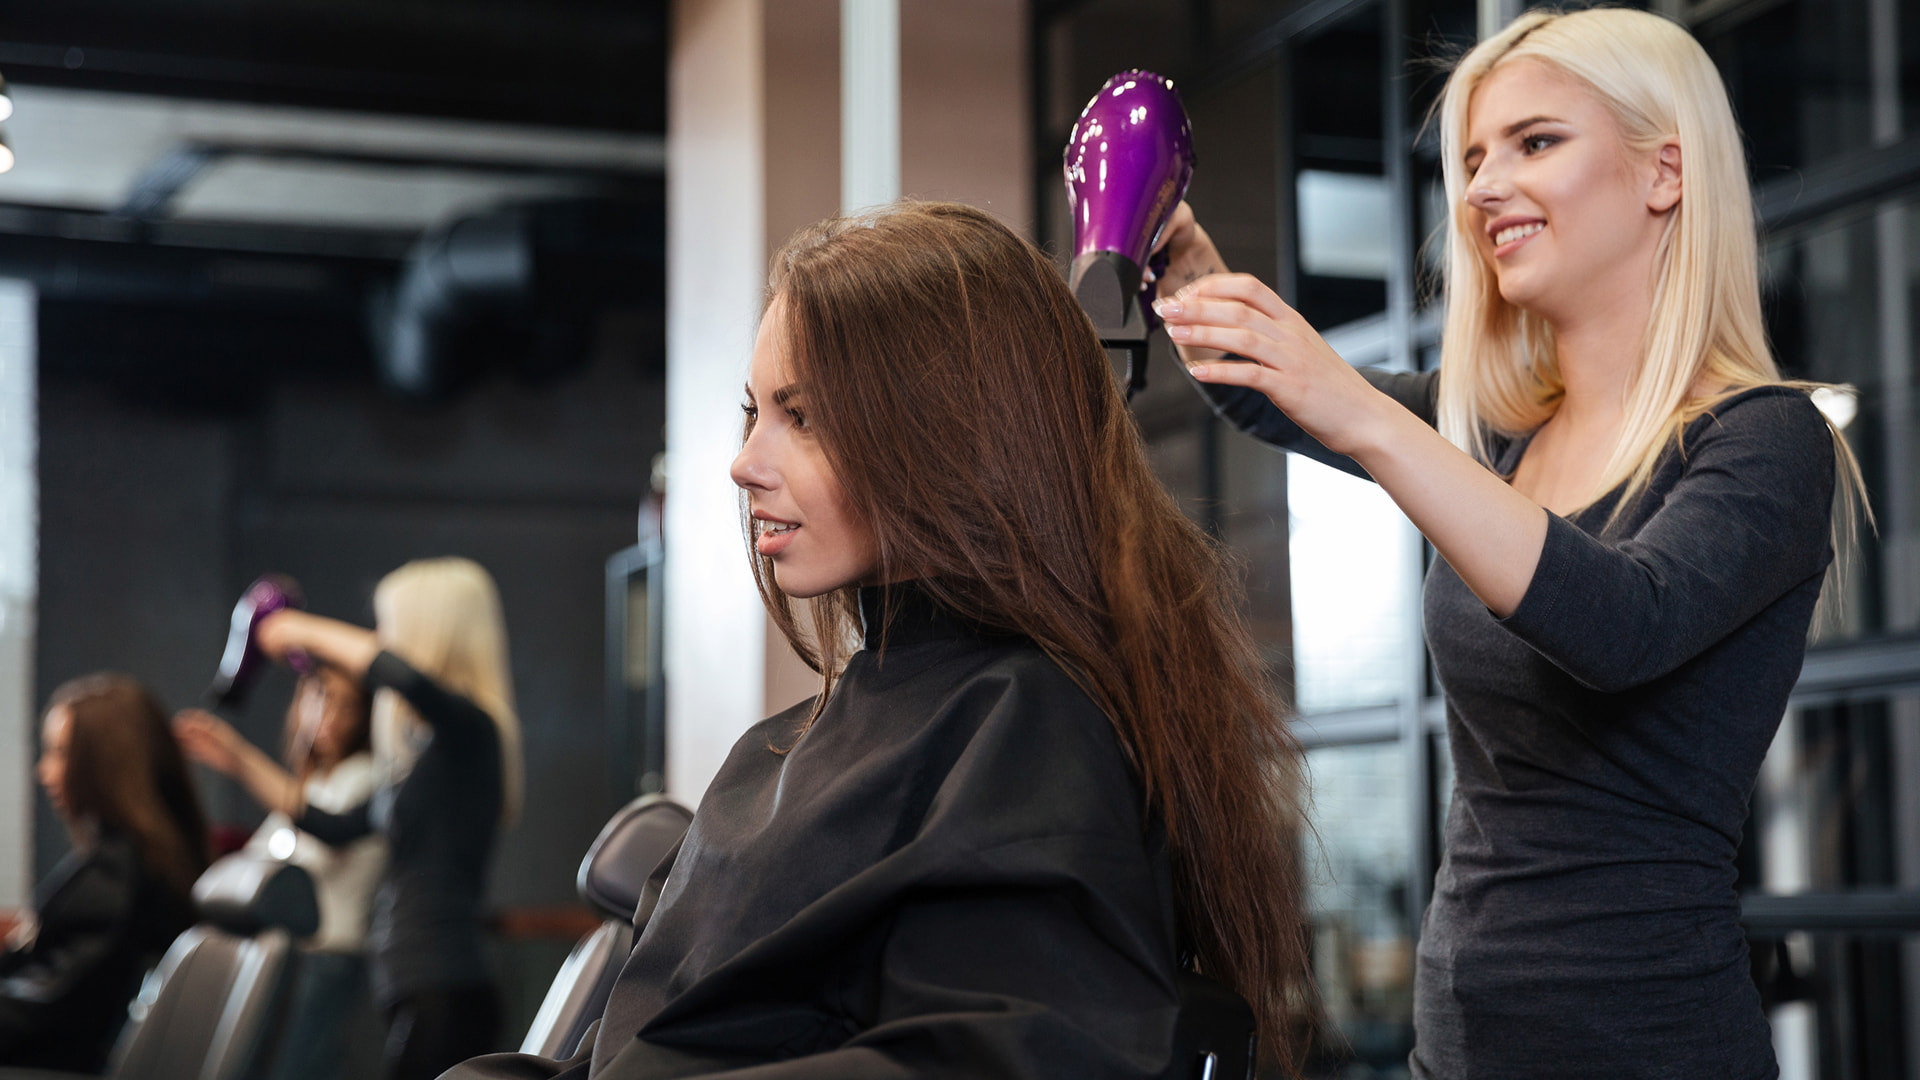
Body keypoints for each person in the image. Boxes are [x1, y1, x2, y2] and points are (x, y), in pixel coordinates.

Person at [1150, 8, 1868, 1078]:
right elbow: (1271, 406)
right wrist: (1193, 280)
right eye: (1474, 158)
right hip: (1459, 1037)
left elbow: (1622, 623)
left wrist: (1363, 411)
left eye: (1535, 143)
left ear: (1665, 172)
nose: (1481, 187)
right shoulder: (1498, 432)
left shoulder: (1766, 440)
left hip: (1647, 1046)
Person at [447, 201, 1312, 1080]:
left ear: (946, 436)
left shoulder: (1025, 730)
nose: (744, 462)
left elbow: (988, 1060)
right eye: (754, 412)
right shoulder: (783, 749)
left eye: (804, 415)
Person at [176, 557, 522, 1080]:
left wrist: (297, 630)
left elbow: (395, 672)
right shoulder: (426, 757)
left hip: (446, 988)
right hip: (416, 989)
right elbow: (332, 824)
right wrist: (237, 759)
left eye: (391, 626)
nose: (382, 638)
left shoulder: (470, 731)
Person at [180, 667, 385, 1080]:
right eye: (321, 698)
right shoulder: (307, 784)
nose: (330, 715)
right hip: (287, 958)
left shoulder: (365, 777)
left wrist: (239, 758)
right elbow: (259, 863)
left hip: (329, 957)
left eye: (347, 706)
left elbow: (325, 832)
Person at [1, 674, 212, 1073]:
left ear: (104, 762)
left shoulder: (115, 878)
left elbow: (48, 1008)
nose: (44, 773)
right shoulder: (146, 861)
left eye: (61, 753)